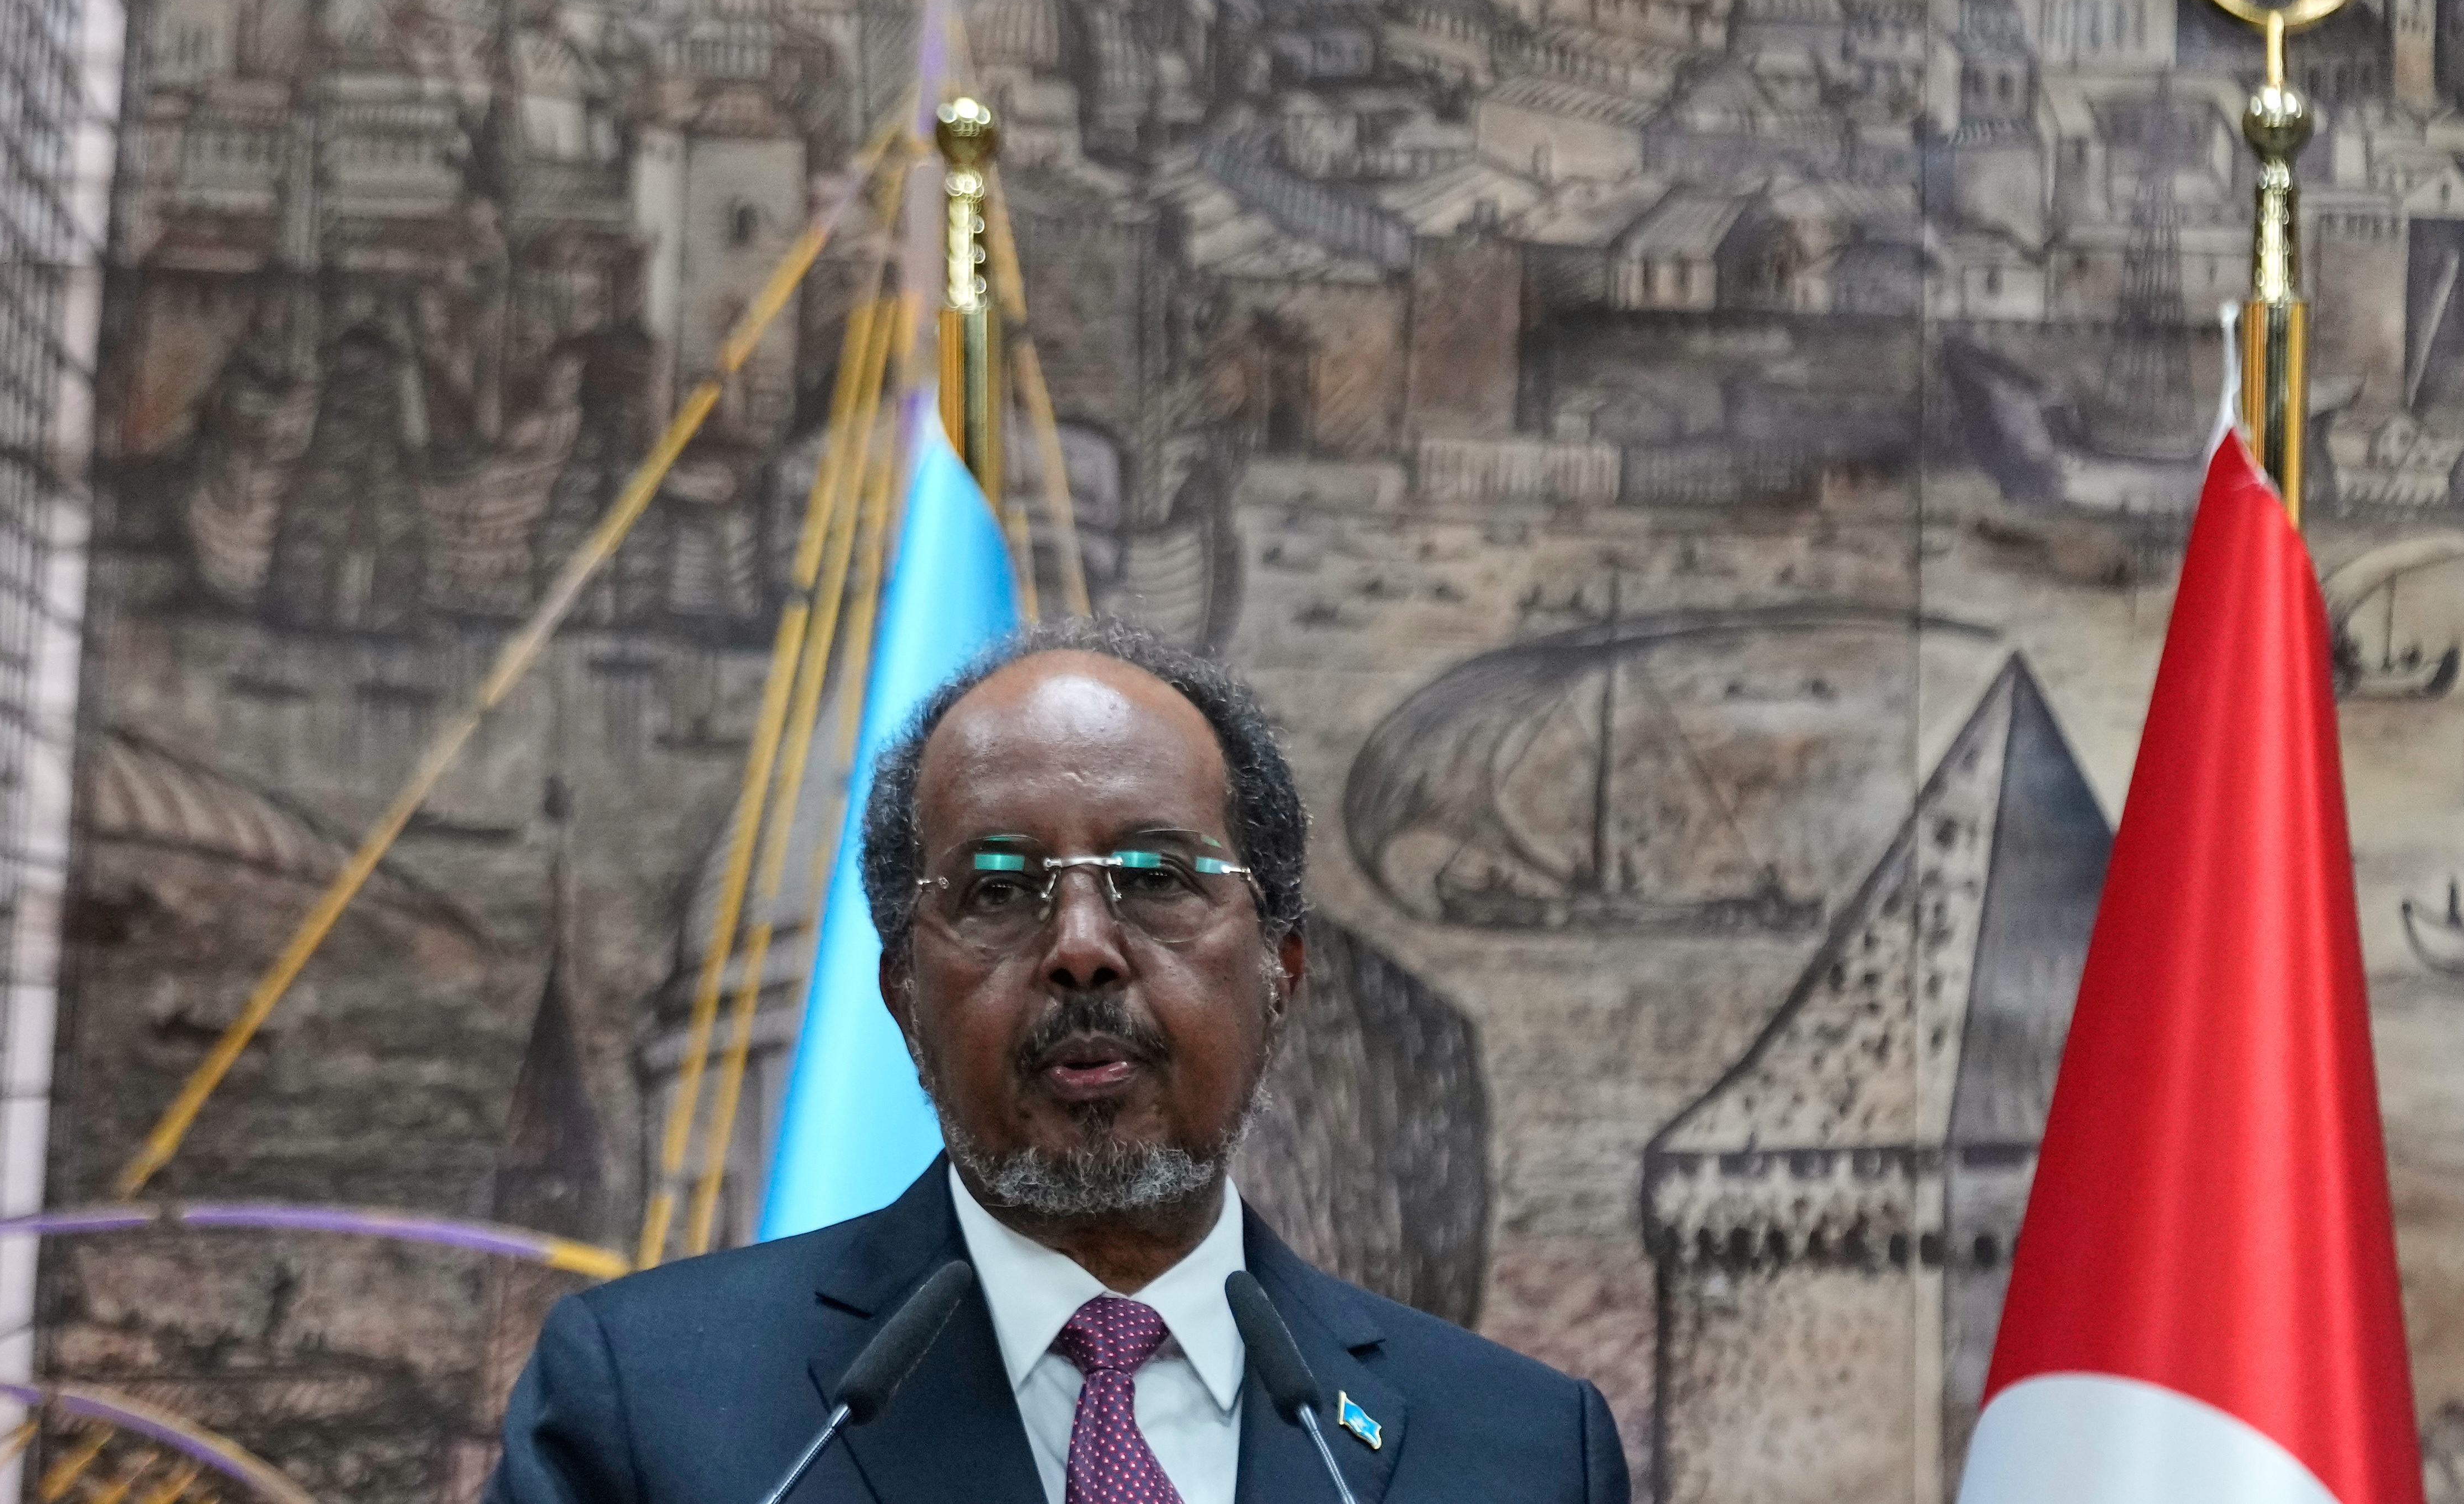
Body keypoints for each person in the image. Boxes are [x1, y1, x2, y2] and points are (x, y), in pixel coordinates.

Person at [487, 617, 1631, 1504]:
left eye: (1156, 879)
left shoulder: (1520, 1452)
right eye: (996, 891)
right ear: (903, 997)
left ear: (1279, 973)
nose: (1081, 948)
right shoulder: (650, 1408)